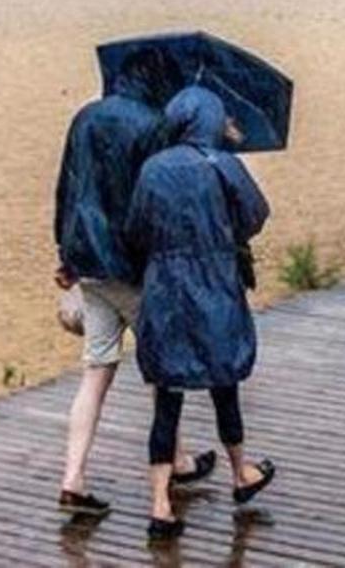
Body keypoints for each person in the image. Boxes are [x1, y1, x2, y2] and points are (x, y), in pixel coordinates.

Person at [54, 55, 213, 516]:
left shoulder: (84, 117)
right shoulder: (152, 125)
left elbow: (65, 189)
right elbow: (158, 199)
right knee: (165, 369)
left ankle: (73, 477)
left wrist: (64, 254)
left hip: (87, 262)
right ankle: (174, 468)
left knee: (96, 371)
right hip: (132, 267)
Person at [124, 86, 275, 543]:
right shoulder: (223, 164)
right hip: (214, 283)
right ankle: (239, 472)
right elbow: (256, 214)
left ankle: (160, 503)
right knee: (223, 381)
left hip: (165, 288)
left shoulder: (153, 168)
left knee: (167, 396)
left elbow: (135, 229)